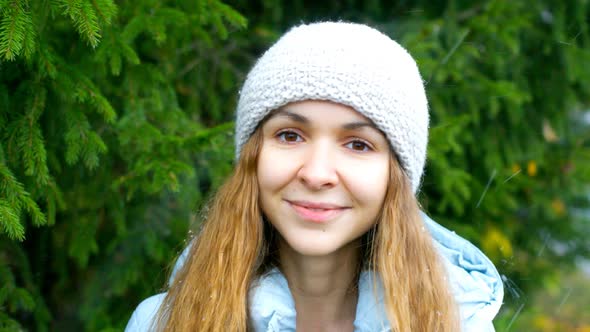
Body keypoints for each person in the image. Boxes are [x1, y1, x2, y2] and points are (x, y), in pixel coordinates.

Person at [125, 21, 504, 331]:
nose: (317, 174)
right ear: (252, 158)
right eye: (290, 136)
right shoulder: (163, 323)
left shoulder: (456, 326)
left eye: (358, 144)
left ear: (396, 177)